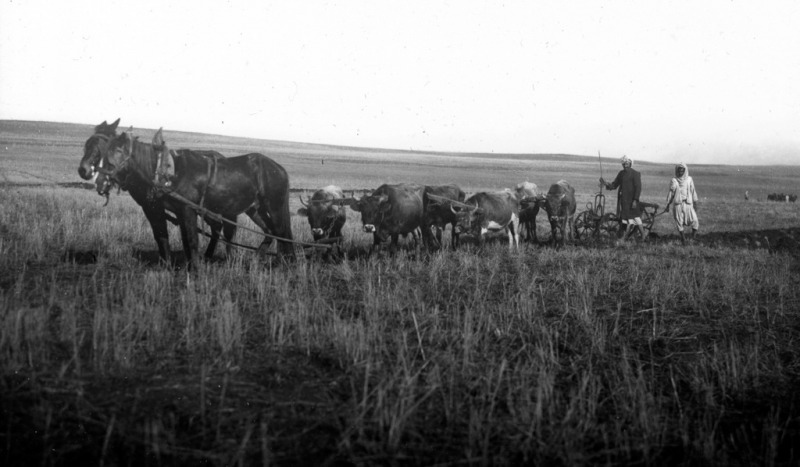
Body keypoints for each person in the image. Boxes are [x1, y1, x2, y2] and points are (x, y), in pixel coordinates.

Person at [600, 155, 645, 241]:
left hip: (632, 201)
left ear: (630, 163)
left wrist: (635, 200)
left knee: (635, 218)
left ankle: (642, 236)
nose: (625, 165)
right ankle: (624, 237)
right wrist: (606, 184)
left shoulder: (635, 174)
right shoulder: (621, 173)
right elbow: (615, 185)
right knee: (625, 218)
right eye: (624, 163)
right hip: (623, 201)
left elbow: (638, 188)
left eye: (627, 163)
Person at [664, 162, 699, 244]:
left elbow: (693, 191)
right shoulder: (674, 180)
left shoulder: (689, 179)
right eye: (679, 170)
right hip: (678, 205)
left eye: (682, 170)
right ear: (677, 171)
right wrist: (667, 205)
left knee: (695, 220)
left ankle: (693, 237)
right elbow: (671, 193)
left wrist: (695, 203)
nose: (680, 172)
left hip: (688, 204)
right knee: (679, 222)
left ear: (685, 170)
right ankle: (683, 239)